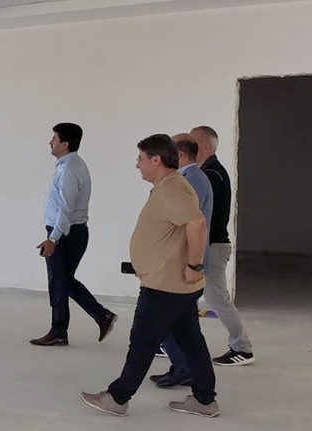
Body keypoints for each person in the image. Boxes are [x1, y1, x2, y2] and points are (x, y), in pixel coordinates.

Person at [80, 134, 219, 418]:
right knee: (191, 341)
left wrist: (194, 266)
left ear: (156, 159)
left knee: (143, 341)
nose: (137, 165)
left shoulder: (173, 189)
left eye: (140, 159)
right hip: (170, 283)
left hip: (165, 286)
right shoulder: (167, 186)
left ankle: (118, 397)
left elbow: (197, 223)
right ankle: (205, 400)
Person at [31, 123, 117, 346]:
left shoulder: (69, 169)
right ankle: (101, 316)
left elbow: (66, 209)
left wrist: (53, 238)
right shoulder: (70, 165)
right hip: (69, 232)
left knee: (58, 282)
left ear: (65, 144)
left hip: (66, 233)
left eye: (54, 139)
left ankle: (60, 330)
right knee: (64, 281)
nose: (50, 142)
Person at [150, 134, 214, 387]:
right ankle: (184, 369)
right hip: (179, 261)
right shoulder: (189, 178)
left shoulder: (191, 180)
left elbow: (190, 223)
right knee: (179, 324)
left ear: (180, 155)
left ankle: (185, 369)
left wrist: (191, 264)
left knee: (165, 322)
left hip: (181, 262)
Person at [192, 126, 254, 366]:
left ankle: (243, 348)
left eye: (193, 141)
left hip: (213, 247)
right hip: (208, 245)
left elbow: (202, 215)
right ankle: (174, 343)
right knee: (184, 298)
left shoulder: (212, 175)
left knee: (217, 300)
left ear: (206, 146)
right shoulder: (206, 172)